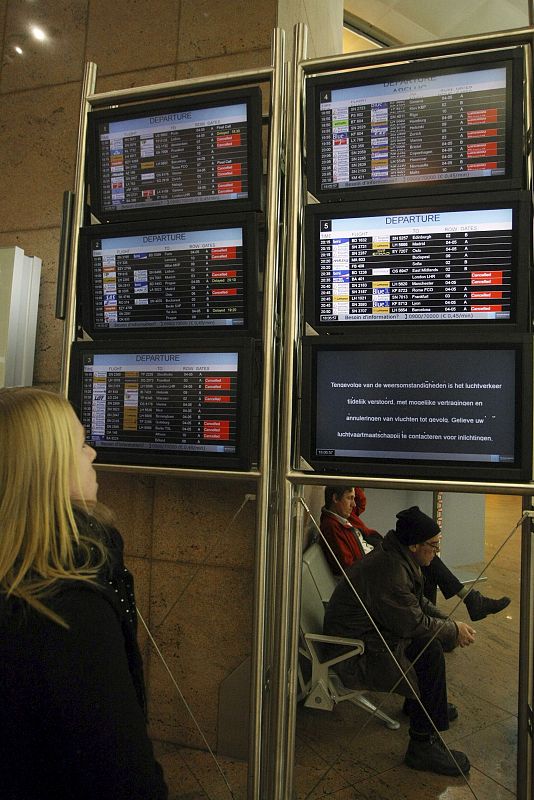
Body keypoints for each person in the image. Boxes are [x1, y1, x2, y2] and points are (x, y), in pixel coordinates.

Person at [0, 387, 168, 800]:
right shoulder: (66, 606)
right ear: (46, 470)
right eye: (78, 445)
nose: (92, 453)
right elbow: (124, 776)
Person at [324, 505, 476, 776]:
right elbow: (413, 621)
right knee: (427, 654)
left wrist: (451, 625)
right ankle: (422, 744)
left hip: (368, 637)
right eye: (434, 545)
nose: (437, 551)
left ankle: (423, 707)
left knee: (427, 645)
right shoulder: (391, 571)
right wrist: (452, 631)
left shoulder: (397, 558)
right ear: (415, 545)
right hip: (353, 653)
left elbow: (417, 605)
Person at [320, 486, 510, 622]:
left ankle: (452, 615)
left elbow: (361, 503)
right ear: (335, 499)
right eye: (348, 498)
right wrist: (375, 559)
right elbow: (348, 565)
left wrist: (352, 477)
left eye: (353, 497)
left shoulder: (346, 515)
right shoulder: (332, 525)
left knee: (427, 560)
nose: (354, 503)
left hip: (379, 551)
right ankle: (466, 604)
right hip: (375, 565)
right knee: (426, 557)